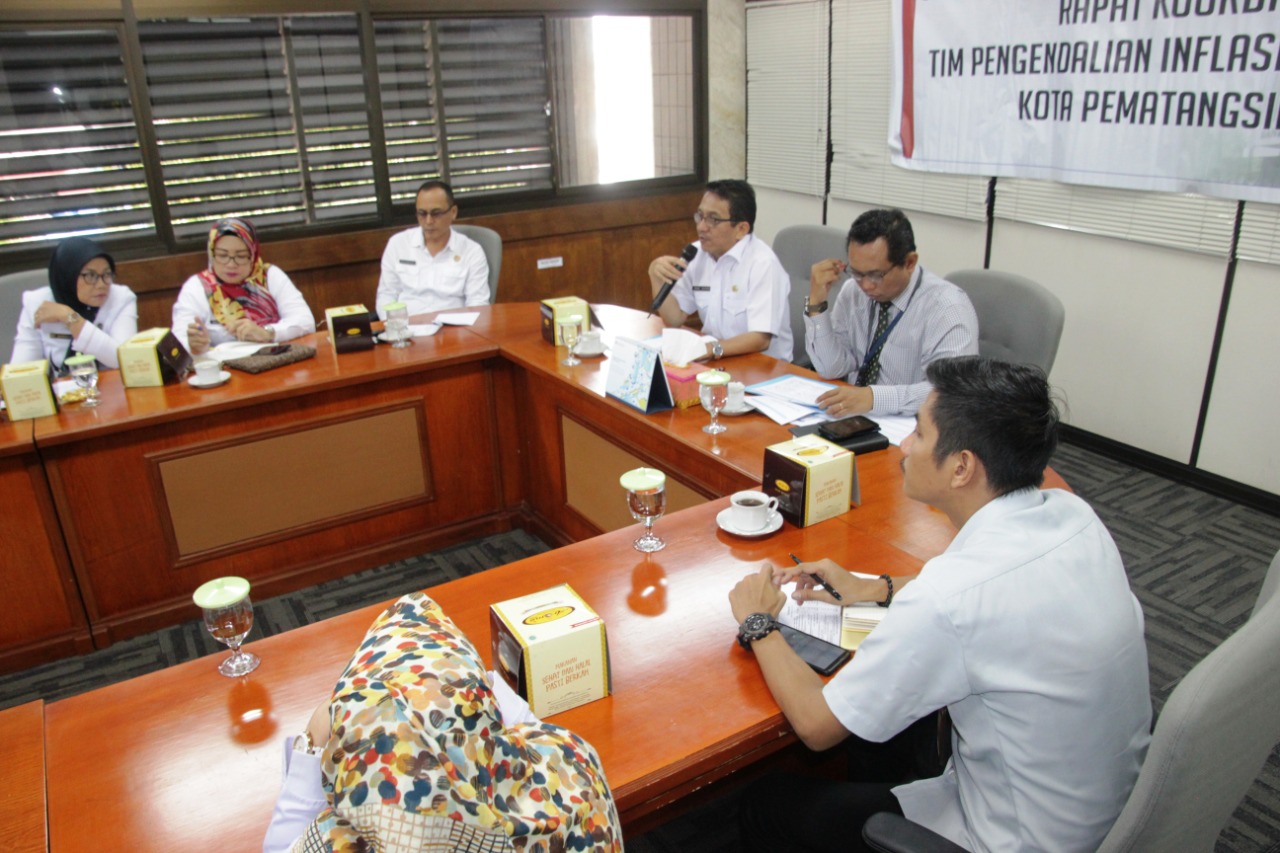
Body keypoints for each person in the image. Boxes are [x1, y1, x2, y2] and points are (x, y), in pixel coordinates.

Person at [730, 356, 1151, 853]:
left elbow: (818, 727)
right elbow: (983, 587)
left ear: (961, 467)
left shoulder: (950, 599)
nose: (905, 447)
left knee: (766, 802)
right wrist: (877, 589)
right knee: (893, 739)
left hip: (1015, 838)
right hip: (1105, 810)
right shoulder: (1072, 515)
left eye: (920, 434)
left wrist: (759, 621)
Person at [263, 591, 623, 853]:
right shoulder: (570, 781)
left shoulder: (344, 836)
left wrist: (312, 743)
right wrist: (481, 687)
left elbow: (279, 847)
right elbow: (540, 734)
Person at [805, 208, 978, 417]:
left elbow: (949, 392)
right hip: (854, 417)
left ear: (909, 263)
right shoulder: (853, 292)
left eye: (876, 275)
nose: (866, 286)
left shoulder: (947, 308)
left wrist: (874, 398)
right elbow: (830, 367)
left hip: (911, 429)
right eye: (857, 273)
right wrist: (816, 305)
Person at [647, 179, 792, 361]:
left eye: (713, 220)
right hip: (717, 362)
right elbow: (674, 319)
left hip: (763, 368)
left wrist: (708, 349)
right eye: (700, 216)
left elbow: (760, 339)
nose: (701, 227)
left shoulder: (763, 264)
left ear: (741, 229)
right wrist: (655, 276)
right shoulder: (697, 254)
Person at [172, 217, 315, 356]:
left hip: (276, 361)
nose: (231, 264)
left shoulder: (270, 276)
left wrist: (267, 332)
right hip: (225, 370)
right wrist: (196, 346)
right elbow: (178, 340)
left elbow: (306, 322)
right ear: (211, 254)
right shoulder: (197, 287)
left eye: (241, 256)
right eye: (222, 255)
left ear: (253, 254)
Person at [10, 237, 138, 373]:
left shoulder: (120, 298)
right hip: (61, 390)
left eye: (106, 274)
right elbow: (21, 371)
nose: (101, 284)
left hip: (112, 389)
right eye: (90, 275)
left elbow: (125, 359)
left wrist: (70, 317)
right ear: (68, 276)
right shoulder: (38, 303)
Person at [376, 180, 490, 318]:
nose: (428, 221)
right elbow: (387, 295)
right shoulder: (398, 245)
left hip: (452, 331)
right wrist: (397, 329)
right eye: (422, 213)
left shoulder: (472, 251)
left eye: (436, 213)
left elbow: (478, 304)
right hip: (407, 330)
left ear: (453, 212)